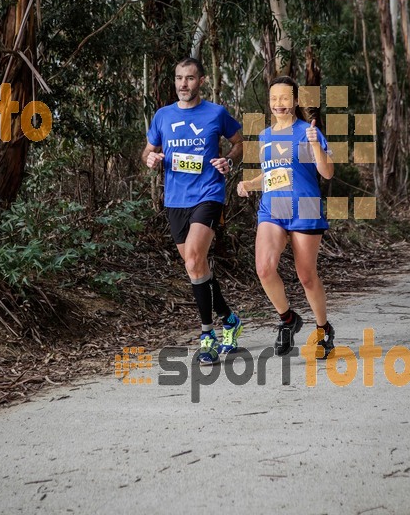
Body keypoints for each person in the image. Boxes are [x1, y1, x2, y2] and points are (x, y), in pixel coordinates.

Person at [142, 57, 244, 365]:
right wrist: (151, 158)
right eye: (178, 78)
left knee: (194, 259)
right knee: (196, 268)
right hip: (175, 200)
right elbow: (148, 150)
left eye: (189, 78)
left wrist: (228, 159)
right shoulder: (162, 116)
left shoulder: (216, 113)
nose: (183, 84)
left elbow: (239, 143)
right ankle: (229, 318)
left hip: (208, 194)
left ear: (201, 81)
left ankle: (207, 335)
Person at [237, 75, 335, 359]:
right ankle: (288, 320)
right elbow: (272, 175)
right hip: (272, 208)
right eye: (273, 99)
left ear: (295, 101)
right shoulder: (265, 135)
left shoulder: (308, 131)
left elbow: (327, 173)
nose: (278, 104)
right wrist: (250, 185)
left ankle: (323, 329)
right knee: (264, 268)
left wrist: (316, 144)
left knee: (306, 276)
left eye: (284, 98)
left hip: (305, 207)